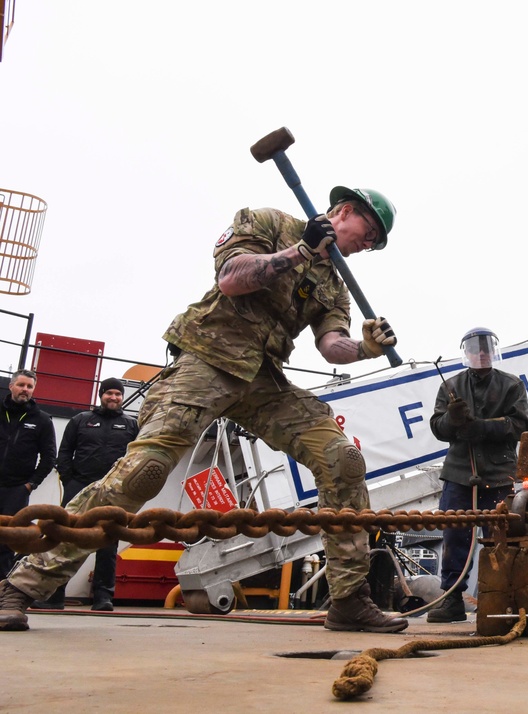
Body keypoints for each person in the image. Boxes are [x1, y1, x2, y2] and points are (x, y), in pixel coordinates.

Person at [0, 186, 408, 633]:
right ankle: (21, 585)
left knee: (341, 459)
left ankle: (349, 599)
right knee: (145, 471)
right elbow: (232, 278)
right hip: (208, 357)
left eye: (373, 243)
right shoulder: (269, 223)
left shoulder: (334, 284)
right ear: (345, 211)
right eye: (368, 234)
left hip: (262, 378)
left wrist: (365, 348)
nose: (367, 246)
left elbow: (332, 345)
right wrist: (300, 251)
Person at [426, 327, 528, 623]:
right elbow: (437, 427)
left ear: (492, 351)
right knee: (455, 536)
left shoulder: (511, 385)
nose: (481, 353)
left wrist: (480, 427)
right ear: (468, 353)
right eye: (476, 349)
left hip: (498, 476)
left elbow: (521, 425)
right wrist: (452, 419)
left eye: (486, 348)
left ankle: (498, 599)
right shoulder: (452, 385)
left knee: (500, 539)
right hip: (460, 474)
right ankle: (452, 599)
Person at [32, 378, 139, 612]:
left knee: (109, 542)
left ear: (121, 397)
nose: (113, 397)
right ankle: (55, 596)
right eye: (109, 393)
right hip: (78, 485)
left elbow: (135, 457)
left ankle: (103, 597)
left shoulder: (131, 425)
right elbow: (65, 451)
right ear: (101, 395)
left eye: (117, 394)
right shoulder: (81, 420)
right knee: (67, 538)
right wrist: (70, 480)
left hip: (112, 490)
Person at [0, 370, 56, 578]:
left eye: (29, 386)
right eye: (21, 385)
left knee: (7, 541)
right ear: (11, 386)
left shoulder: (41, 420)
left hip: (17, 489)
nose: (25, 390)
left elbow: (50, 457)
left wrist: (30, 484)